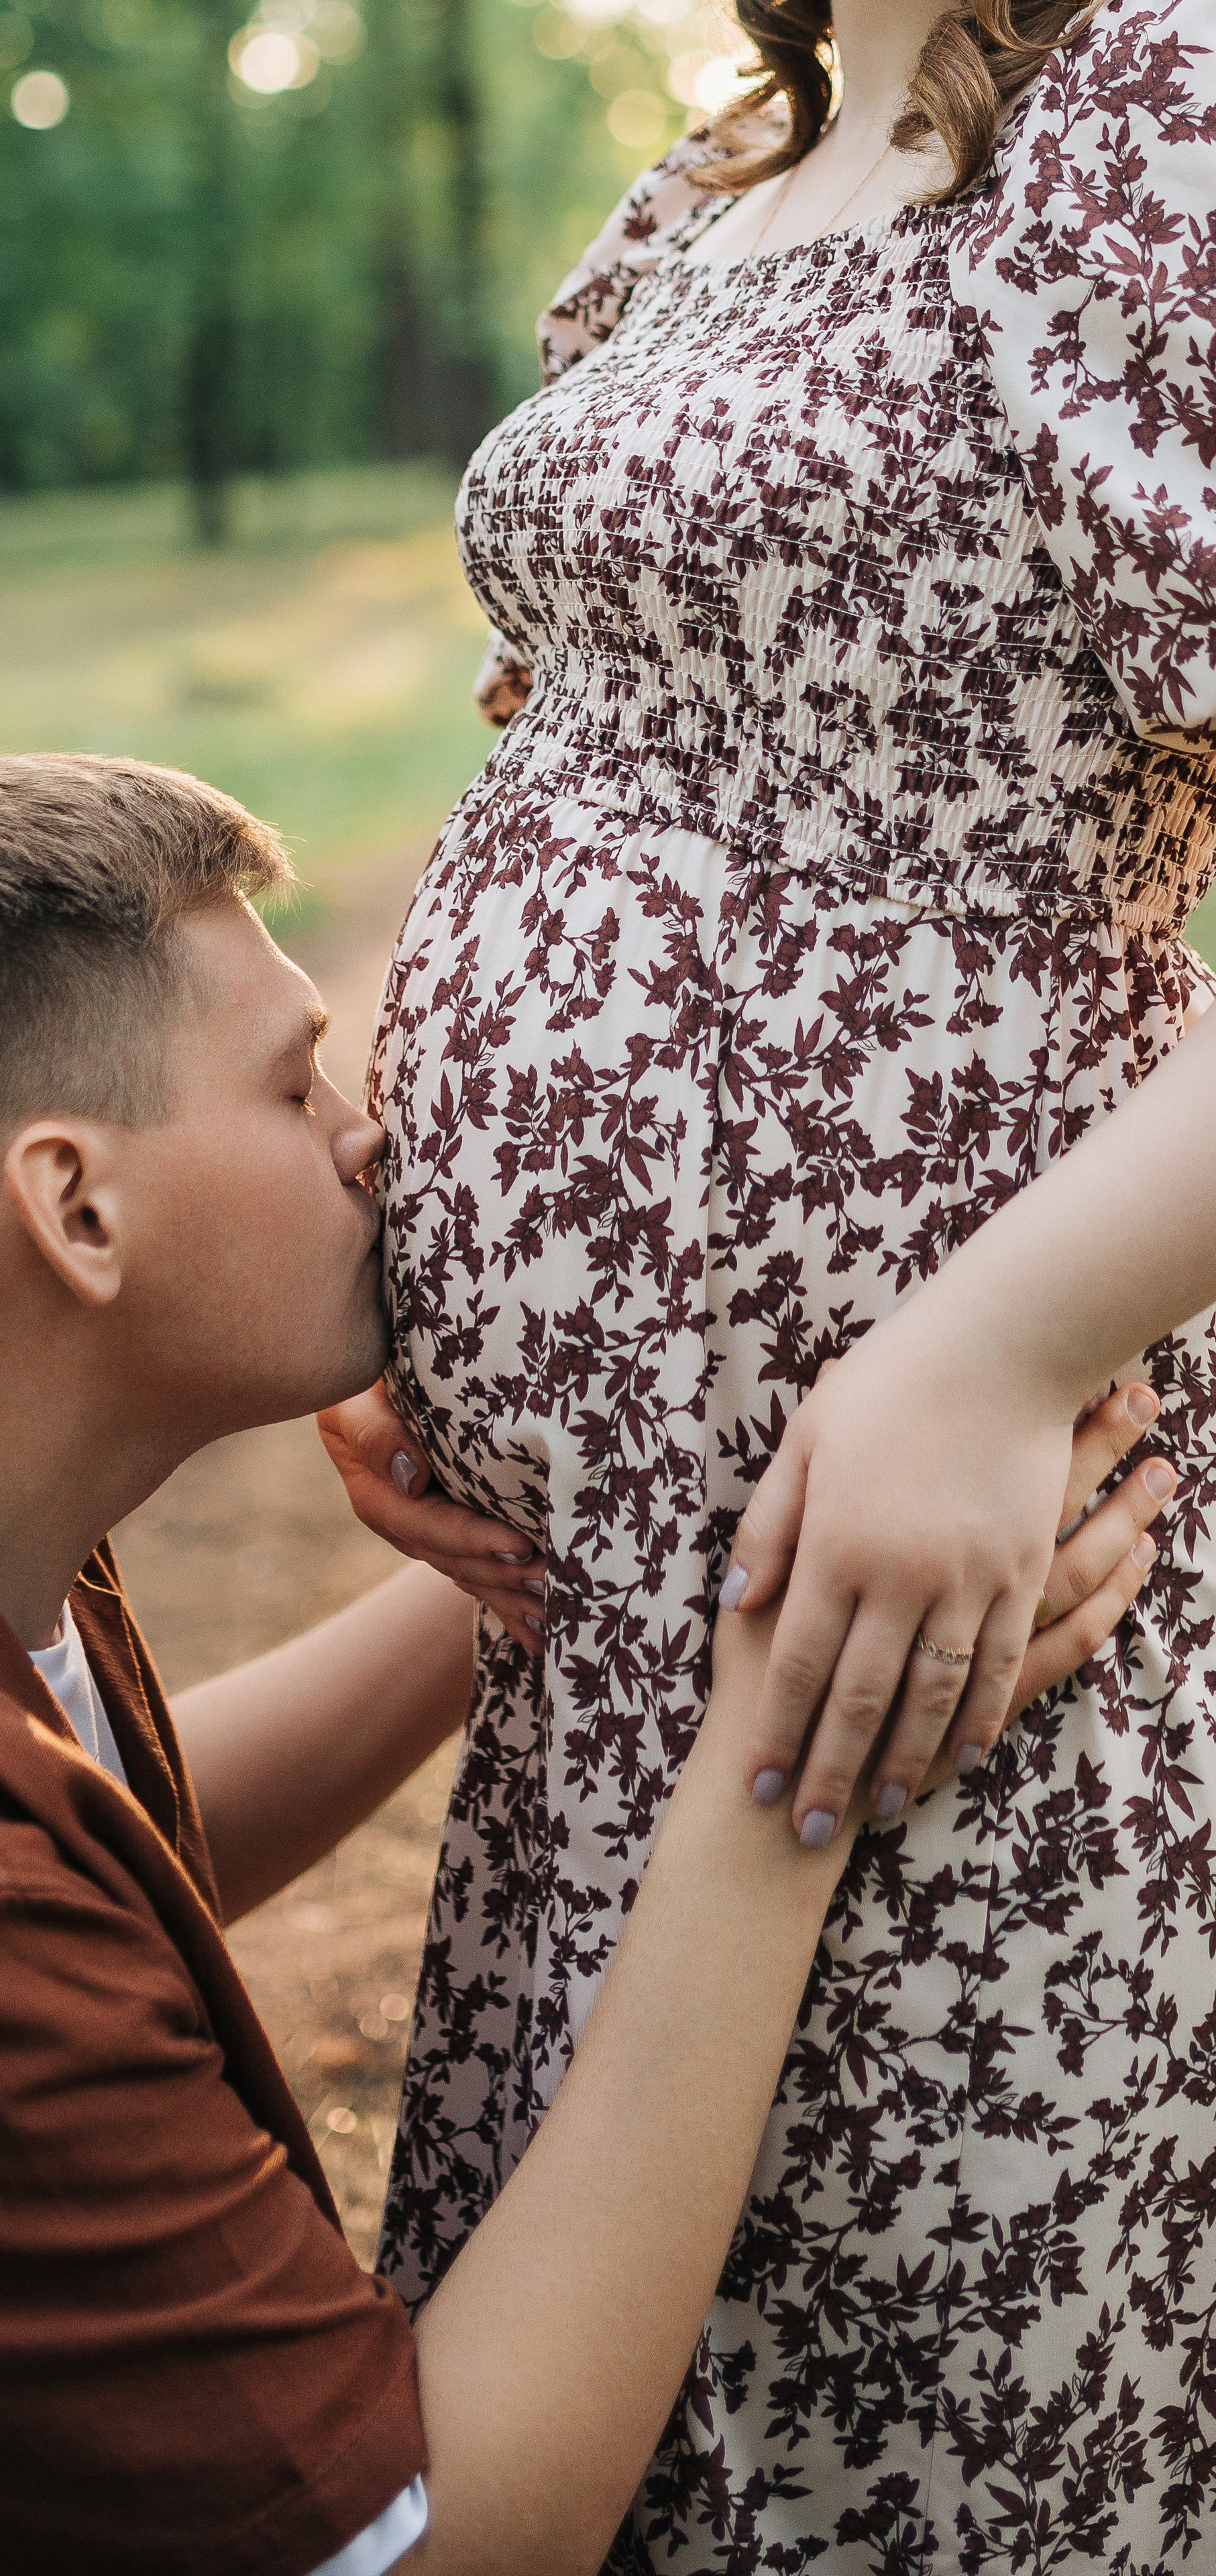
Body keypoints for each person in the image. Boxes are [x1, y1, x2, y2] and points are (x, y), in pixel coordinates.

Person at [0, 754, 1162, 2576]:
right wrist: (801, 1749)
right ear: (76, 1212)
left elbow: (90, 1845)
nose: (373, 1132)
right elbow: (446, 2549)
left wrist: (524, 1592)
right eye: (295, 1083)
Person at [323, 0, 1216, 2564]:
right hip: (597, 1623)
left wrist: (997, 1348)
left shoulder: (1141, 95)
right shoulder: (735, 166)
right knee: (623, 2373)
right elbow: (590, 759)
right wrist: (416, 1266)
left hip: (947, 1572)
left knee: (913, 2403)